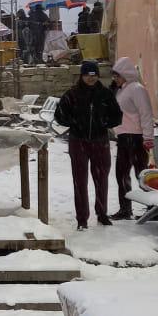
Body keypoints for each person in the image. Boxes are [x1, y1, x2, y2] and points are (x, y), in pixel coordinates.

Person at [55, 61, 122, 230]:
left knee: (101, 179)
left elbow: (117, 116)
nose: (91, 79)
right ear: (82, 76)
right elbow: (60, 115)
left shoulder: (105, 94)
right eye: (87, 75)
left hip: (100, 141)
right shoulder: (72, 94)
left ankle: (102, 213)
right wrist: (75, 123)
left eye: (94, 75)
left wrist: (104, 122)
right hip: (78, 141)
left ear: (97, 76)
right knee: (80, 180)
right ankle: (82, 218)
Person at [109, 57, 155, 220]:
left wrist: (148, 137)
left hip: (136, 137)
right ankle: (125, 208)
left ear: (126, 74)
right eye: (114, 76)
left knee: (141, 174)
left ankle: (153, 208)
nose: (115, 79)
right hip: (123, 137)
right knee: (121, 174)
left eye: (117, 75)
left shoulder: (136, 89)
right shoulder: (121, 90)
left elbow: (146, 113)